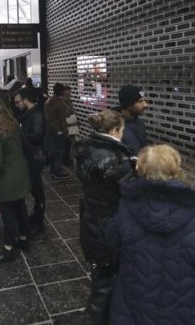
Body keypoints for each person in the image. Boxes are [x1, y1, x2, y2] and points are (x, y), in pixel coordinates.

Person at [108, 145, 195, 324]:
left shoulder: (126, 203)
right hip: (184, 297)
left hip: (136, 293)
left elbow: (112, 246)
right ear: (176, 168)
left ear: (141, 169)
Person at [75, 109, 135, 324]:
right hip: (108, 223)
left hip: (91, 218)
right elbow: (128, 193)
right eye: (122, 131)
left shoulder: (85, 148)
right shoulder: (116, 158)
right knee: (105, 281)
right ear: (116, 130)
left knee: (101, 274)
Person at [0, 99, 31, 262]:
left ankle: (8, 249)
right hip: (21, 172)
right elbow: (24, 146)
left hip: (7, 178)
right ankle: (24, 239)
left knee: (8, 214)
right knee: (21, 207)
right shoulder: (14, 126)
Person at [14, 87, 47, 235]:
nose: (17, 105)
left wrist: (21, 136)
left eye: (18, 102)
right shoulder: (27, 113)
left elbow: (36, 136)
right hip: (29, 155)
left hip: (34, 156)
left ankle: (39, 220)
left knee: (37, 188)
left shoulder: (37, 114)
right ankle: (36, 215)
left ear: (26, 101)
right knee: (34, 188)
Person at [44, 83, 71, 180]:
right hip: (58, 130)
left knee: (52, 151)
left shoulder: (48, 101)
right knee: (59, 152)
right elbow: (62, 120)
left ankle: (52, 171)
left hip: (50, 129)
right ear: (62, 91)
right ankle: (58, 172)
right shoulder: (59, 103)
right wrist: (66, 132)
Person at [115, 84, 149, 154]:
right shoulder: (116, 127)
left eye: (144, 101)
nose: (145, 105)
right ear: (127, 105)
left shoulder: (139, 123)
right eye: (140, 101)